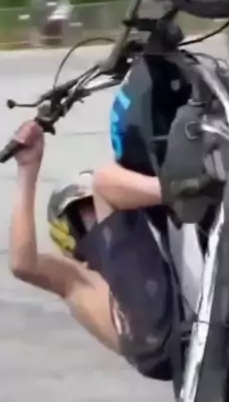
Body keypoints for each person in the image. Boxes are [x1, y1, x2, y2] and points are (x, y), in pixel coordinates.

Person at [9, 119, 178, 381]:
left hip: (172, 330)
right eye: (86, 214)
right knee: (105, 181)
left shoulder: (137, 256)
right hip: (152, 339)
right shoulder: (75, 278)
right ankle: (181, 190)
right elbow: (23, 264)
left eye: (95, 209)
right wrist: (27, 170)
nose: (98, 219)